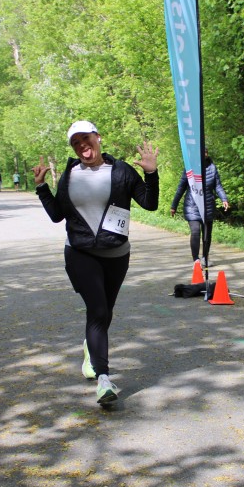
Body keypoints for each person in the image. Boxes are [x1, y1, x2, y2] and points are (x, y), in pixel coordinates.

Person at [33, 121, 159, 405]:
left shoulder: (122, 171)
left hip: (116, 254)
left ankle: (91, 348)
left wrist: (151, 174)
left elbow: (150, 203)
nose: (81, 145)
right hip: (80, 252)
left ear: (98, 138)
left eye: (85, 138)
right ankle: (104, 380)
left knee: (104, 313)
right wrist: (42, 187)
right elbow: (57, 215)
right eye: (75, 143)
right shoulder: (70, 174)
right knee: (98, 310)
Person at [169, 149, 229, 267]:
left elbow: (218, 186)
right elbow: (181, 188)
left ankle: (205, 258)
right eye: (202, 152)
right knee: (196, 231)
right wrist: (174, 205)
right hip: (192, 205)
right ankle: (196, 260)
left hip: (207, 206)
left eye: (205, 152)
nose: (204, 154)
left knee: (207, 234)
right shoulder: (189, 168)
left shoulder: (212, 168)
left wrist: (224, 199)